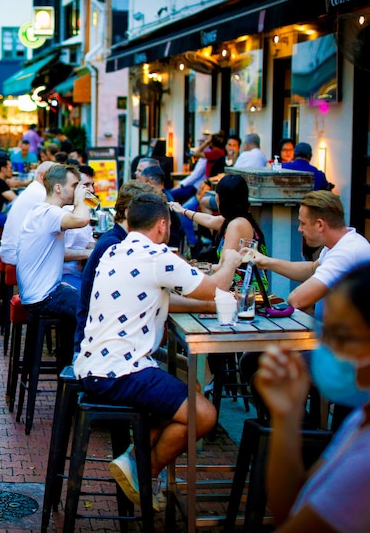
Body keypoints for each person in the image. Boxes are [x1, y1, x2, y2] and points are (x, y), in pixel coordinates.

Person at [75, 193, 242, 510]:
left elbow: (162, 297)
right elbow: (217, 284)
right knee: (204, 415)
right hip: (121, 373)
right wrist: (231, 261)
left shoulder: (115, 250)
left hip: (94, 365)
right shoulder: (157, 256)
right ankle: (144, 474)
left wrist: (208, 303)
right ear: (163, 225)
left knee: (190, 390)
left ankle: (134, 457)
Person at [254, 262, 370, 532]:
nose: (326, 348)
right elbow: (292, 507)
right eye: (325, 332)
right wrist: (287, 417)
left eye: (341, 337)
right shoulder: (367, 415)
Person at [243, 190, 370, 318]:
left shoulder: (346, 252)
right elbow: (313, 269)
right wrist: (267, 262)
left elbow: (297, 301)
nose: (299, 229)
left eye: (303, 223)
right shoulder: (341, 243)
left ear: (320, 225)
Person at [16, 164, 91, 367]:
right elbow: (82, 219)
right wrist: (80, 200)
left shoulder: (43, 212)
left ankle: (68, 363)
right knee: (93, 309)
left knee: (82, 301)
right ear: (58, 188)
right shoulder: (47, 213)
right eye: (75, 185)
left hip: (39, 293)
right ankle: (81, 370)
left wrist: (87, 253)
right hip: (44, 296)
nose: (78, 189)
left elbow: (58, 253)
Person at [75, 181, 159, 345]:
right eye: (150, 215)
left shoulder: (116, 239)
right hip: (100, 344)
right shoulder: (115, 246)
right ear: (129, 213)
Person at [0, 161, 54, 265]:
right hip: (16, 254)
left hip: (11, 250)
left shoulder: (35, 188)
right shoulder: (40, 194)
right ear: (43, 176)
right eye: (56, 177)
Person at [61, 165, 96, 288]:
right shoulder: (65, 212)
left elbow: (89, 242)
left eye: (92, 185)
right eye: (86, 185)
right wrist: (88, 253)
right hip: (63, 276)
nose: (91, 190)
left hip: (81, 273)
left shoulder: (83, 208)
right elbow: (58, 253)